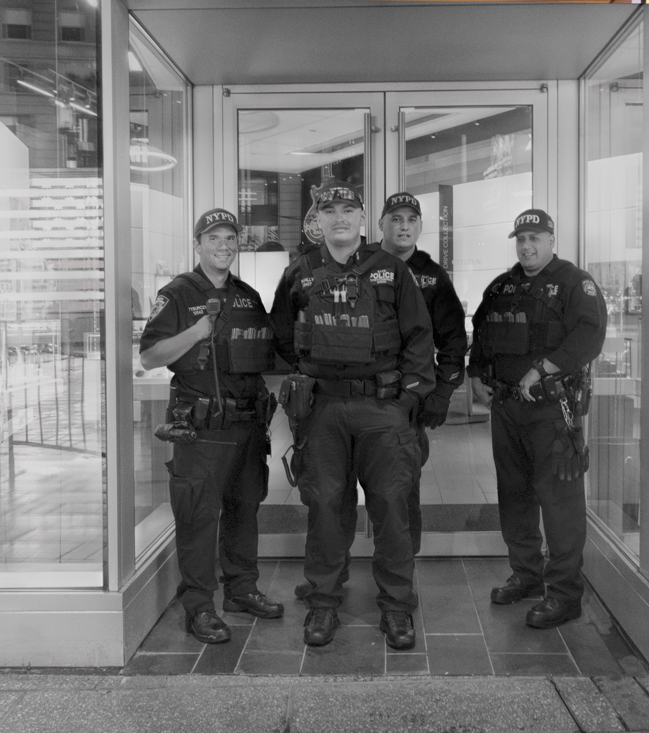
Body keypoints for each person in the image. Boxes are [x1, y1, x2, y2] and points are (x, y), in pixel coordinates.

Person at [272, 181, 435, 650]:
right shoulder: (299, 273)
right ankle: (323, 602)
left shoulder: (390, 271)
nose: (339, 218)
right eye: (329, 210)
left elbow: (419, 339)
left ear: (363, 220)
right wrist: (307, 379)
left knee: (390, 505)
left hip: (383, 410)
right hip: (322, 411)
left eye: (348, 210)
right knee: (324, 506)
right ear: (317, 221)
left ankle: (397, 607)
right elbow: (282, 336)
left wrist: (405, 400)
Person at [139, 208, 282, 644]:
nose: (223, 246)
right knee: (200, 516)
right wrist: (196, 332)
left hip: (247, 423)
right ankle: (199, 606)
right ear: (198, 244)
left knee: (245, 509)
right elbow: (150, 356)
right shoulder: (179, 293)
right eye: (214, 238)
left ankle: (241, 590)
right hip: (201, 428)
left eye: (230, 239)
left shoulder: (248, 295)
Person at [468, 208, 607, 630]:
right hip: (507, 409)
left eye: (535, 238)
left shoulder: (573, 282)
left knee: (559, 503)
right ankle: (526, 576)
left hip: (552, 411)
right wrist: (476, 374)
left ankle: (565, 595)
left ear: (551, 239)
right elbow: (482, 331)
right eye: (521, 239)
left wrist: (544, 368)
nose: (527, 246)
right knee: (515, 495)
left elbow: (590, 335)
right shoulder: (503, 286)